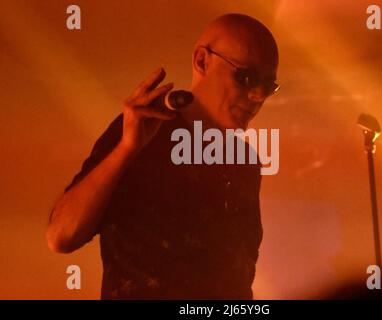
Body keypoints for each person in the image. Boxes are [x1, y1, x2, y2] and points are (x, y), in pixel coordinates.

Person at [46, 13, 279, 299]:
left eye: (268, 86)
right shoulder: (144, 132)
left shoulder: (245, 162)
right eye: (246, 77)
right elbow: (61, 236)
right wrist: (126, 150)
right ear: (202, 61)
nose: (257, 95)